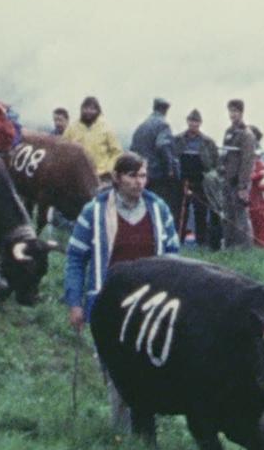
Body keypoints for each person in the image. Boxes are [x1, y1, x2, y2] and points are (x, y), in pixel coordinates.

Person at [64, 151, 180, 431]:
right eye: (132, 175)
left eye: (142, 176)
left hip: (151, 305)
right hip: (109, 304)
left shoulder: (158, 210)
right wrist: (75, 302)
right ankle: (121, 431)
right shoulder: (95, 211)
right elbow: (76, 258)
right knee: (115, 369)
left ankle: (142, 429)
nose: (139, 182)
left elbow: (175, 256)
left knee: (147, 369)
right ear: (116, 178)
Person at [173, 108, 222, 247]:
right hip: (182, 181)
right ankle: (179, 241)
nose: (193, 124)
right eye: (191, 121)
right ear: (187, 121)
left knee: (201, 211)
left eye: (196, 121)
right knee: (181, 211)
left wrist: (211, 178)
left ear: (200, 123)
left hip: (201, 181)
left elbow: (216, 163)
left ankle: (201, 242)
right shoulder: (177, 140)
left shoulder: (208, 142)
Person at [130, 98, 181, 218]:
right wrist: (170, 171)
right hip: (156, 177)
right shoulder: (163, 124)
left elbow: (133, 150)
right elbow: (163, 145)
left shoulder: (141, 126)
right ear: (165, 110)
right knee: (158, 210)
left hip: (140, 174)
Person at [220, 98, 257, 248]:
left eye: (235, 111)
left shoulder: (247, 134)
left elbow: (248, 161)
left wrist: (243, 186)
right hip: (227, 179)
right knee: (228, 215)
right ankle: (229, 246)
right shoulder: (229, 132)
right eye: (230, 111)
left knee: (240, 215)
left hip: (238, 181)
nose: (232, 114)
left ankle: (244, 248)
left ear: (241, 112)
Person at [63, 96, 122, 184]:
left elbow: (117, 152)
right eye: (85, 108)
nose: (88, 111)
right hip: (77, 175)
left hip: (102, 177)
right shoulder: (72, 128)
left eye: (92, 109)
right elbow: (63, 148)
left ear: (98, 111)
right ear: (81, 109)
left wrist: (108, 169)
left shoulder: (106, 128)